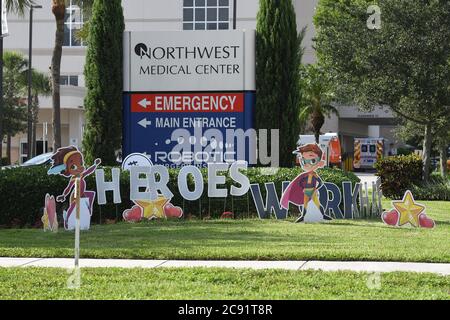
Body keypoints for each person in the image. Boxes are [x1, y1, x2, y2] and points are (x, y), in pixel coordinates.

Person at [48, 146, 100, 228]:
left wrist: (95, 165)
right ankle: (68, 220)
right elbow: (68, 188)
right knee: (73, 207)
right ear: (67, 169)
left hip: (82, 194)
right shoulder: (74, 178)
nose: (79, 167)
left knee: (89, 198)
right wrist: (63, 195)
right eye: (73, 166)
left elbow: (88, 171)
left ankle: (85, 219)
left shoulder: (81, 175)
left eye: (81, 163)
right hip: (76, 195)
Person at [280, 143, 332, 223]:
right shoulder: (303, 176)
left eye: (312, 161)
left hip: (312, 192)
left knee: (317, 204)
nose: (307, 164)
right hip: (306, 192)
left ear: (319, 162)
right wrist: (303, 188)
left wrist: (315, 189)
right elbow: (300, 182)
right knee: (305, 205)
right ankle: (303, 216)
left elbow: (320, 183)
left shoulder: (314, 175)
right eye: (304, 161)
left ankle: (323, 215)